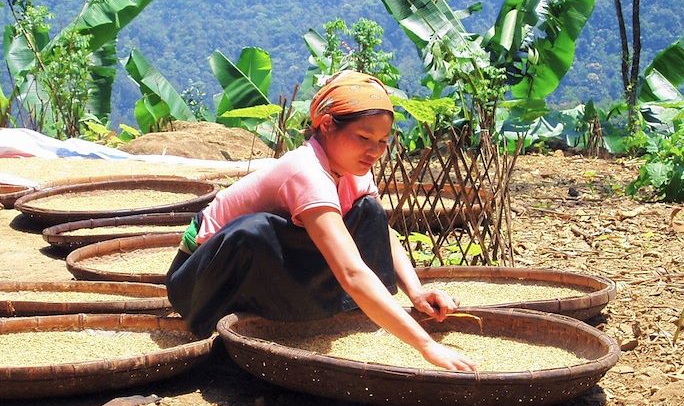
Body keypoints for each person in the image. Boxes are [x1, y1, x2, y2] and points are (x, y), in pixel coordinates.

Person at [166, 70, 477, 371]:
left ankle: (343, 316)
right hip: (198, 283)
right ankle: (236, 329)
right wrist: (425, 345)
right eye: (363, 137)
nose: (374, 151)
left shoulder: (352, 169)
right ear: (327, 125)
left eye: (382, 141)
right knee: (255, 231)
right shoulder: (307, 173)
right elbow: (351, 273)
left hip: (268, 269)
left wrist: (416, 291)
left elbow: (380, 231)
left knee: (369, 211)